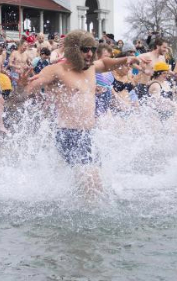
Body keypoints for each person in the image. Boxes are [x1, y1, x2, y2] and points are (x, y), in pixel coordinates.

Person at [20, 30, 138, 197]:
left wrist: (126, 59)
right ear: (74, 50)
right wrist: (23, 86)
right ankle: (91, 218)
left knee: (95, 183)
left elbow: (105, 63)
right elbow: (28, 90)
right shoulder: (57, 69)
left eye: (92, 49)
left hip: (87, 134)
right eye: (84, 49)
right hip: (69, 134)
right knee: (93, 185)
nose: (89, 53)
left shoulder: (90, 68)